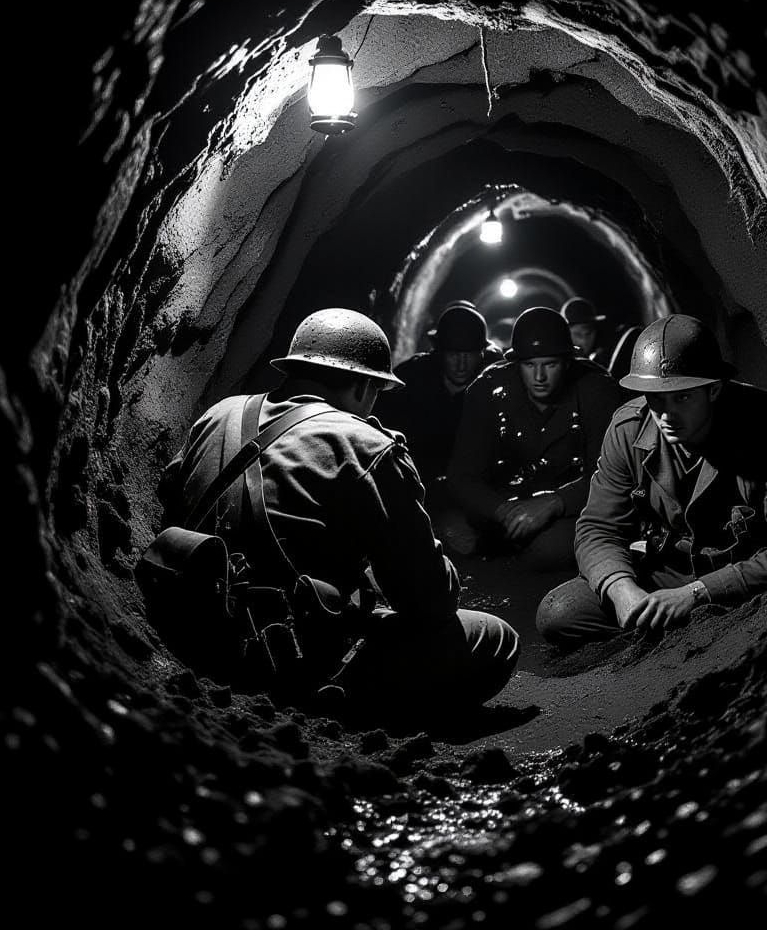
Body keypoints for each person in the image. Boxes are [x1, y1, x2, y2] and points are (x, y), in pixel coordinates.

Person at [159, 308, 519, 713]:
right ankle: (348, 703)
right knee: (494, 637)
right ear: (366, 387)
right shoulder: (367, 444)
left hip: (191, 630)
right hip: (289, 661)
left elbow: (172, 492)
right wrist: (408, 495)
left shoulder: (219, 413)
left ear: (295, 368)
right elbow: (431, 600)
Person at [536, 313, 767, 648]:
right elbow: (598, 528)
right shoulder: (628, 429)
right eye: (656, 398)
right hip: (667, 570)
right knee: (559, 613)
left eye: (682, 397)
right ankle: (661, 636)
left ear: (713, 390)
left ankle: (718, 634)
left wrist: (698, 593)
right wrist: (622, 589)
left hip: (741, 573)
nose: (666, 415)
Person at [448, 307, 623, 572]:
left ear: (566, 362)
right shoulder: (488, 389)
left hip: (570, 512)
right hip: (503, 506)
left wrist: (555, 503)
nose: (539, 377)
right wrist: (503, 511)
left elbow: (611, 475)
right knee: (451, 531)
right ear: (516, 363)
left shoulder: (596, 390)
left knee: (550, 548)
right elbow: (462, 474)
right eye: (530, 365)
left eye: (550, 365)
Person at [376, 304, 502, 484]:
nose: (461, 364)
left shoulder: (492, 387)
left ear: (481, 354)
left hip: (468, 487)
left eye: (469, 355)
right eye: (453, 354)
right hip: (410, 480)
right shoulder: (411, 378)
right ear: (441, 352)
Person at [561, 297, 610, 367]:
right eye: (578, 334)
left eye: (588, 334)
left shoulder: (603, 358)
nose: (584, 341)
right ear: (565, 334)